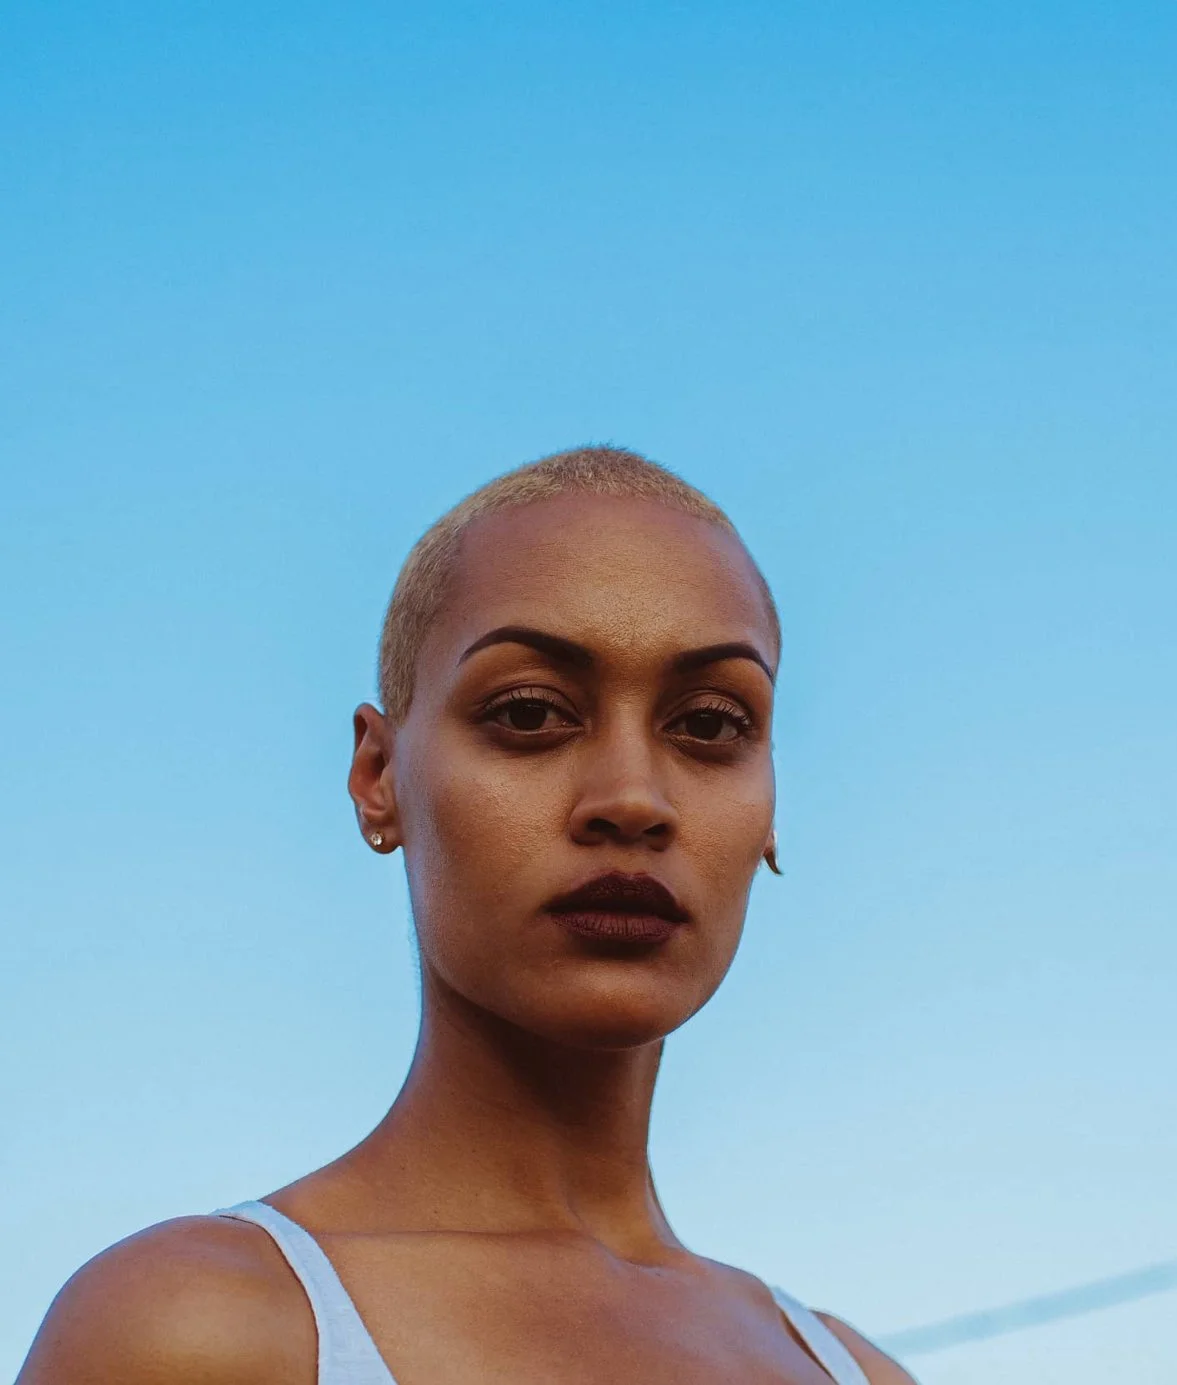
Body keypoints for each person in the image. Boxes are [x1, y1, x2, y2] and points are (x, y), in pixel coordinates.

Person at [17, 447, 917, 1384]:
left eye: (711, 724)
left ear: (769, 806)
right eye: (530, 713)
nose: (632, 797)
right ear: (379, 778)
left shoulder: (853, 1369)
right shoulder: (196, 1330)